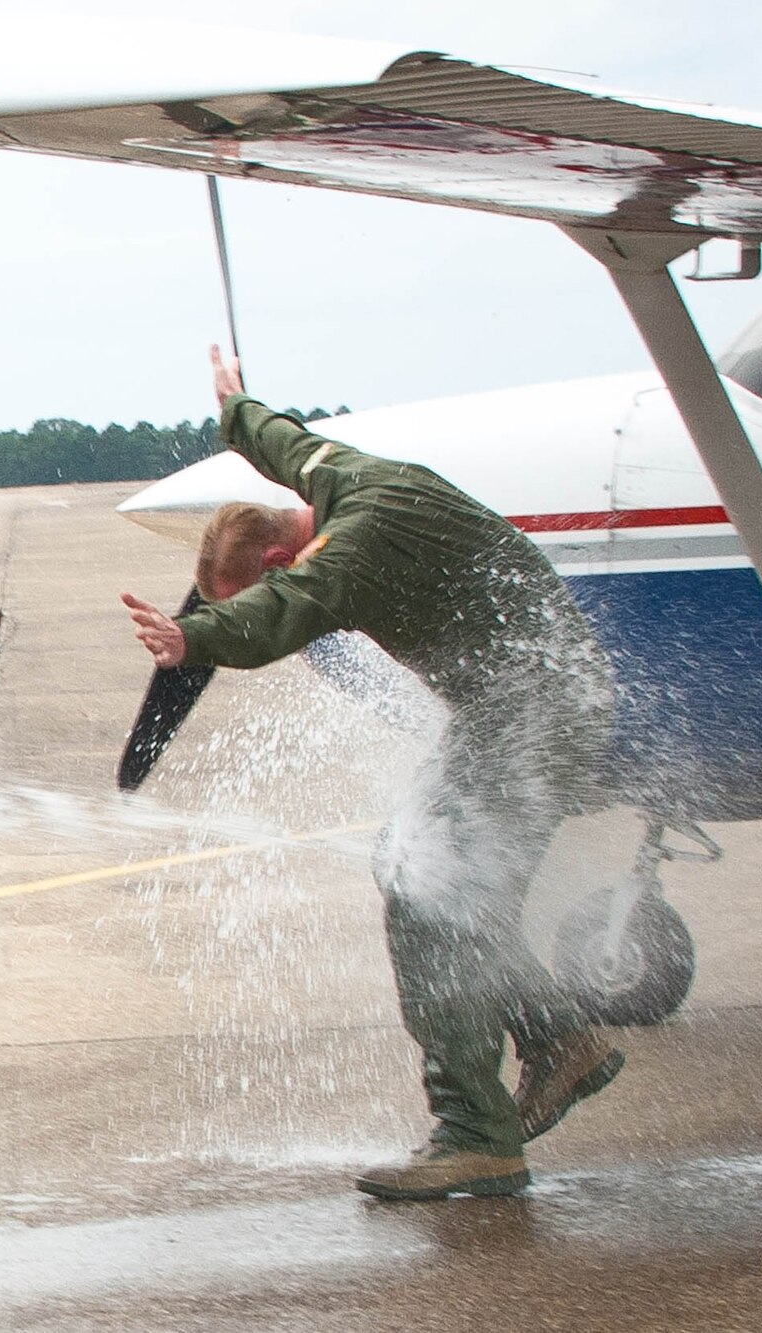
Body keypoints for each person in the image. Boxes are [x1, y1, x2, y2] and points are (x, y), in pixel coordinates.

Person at [122, 348, 624, 1201]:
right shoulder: (340, 475)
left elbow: (287, 608)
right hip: (527, 709)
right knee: (423, 872)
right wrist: (236, 406)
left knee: (427, 893)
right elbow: (283, 440)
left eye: (253, 588)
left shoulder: (350, 547)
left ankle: (477, 1135)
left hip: (533, 719)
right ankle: (557, 1039)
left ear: (284, 558)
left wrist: (197, 640)